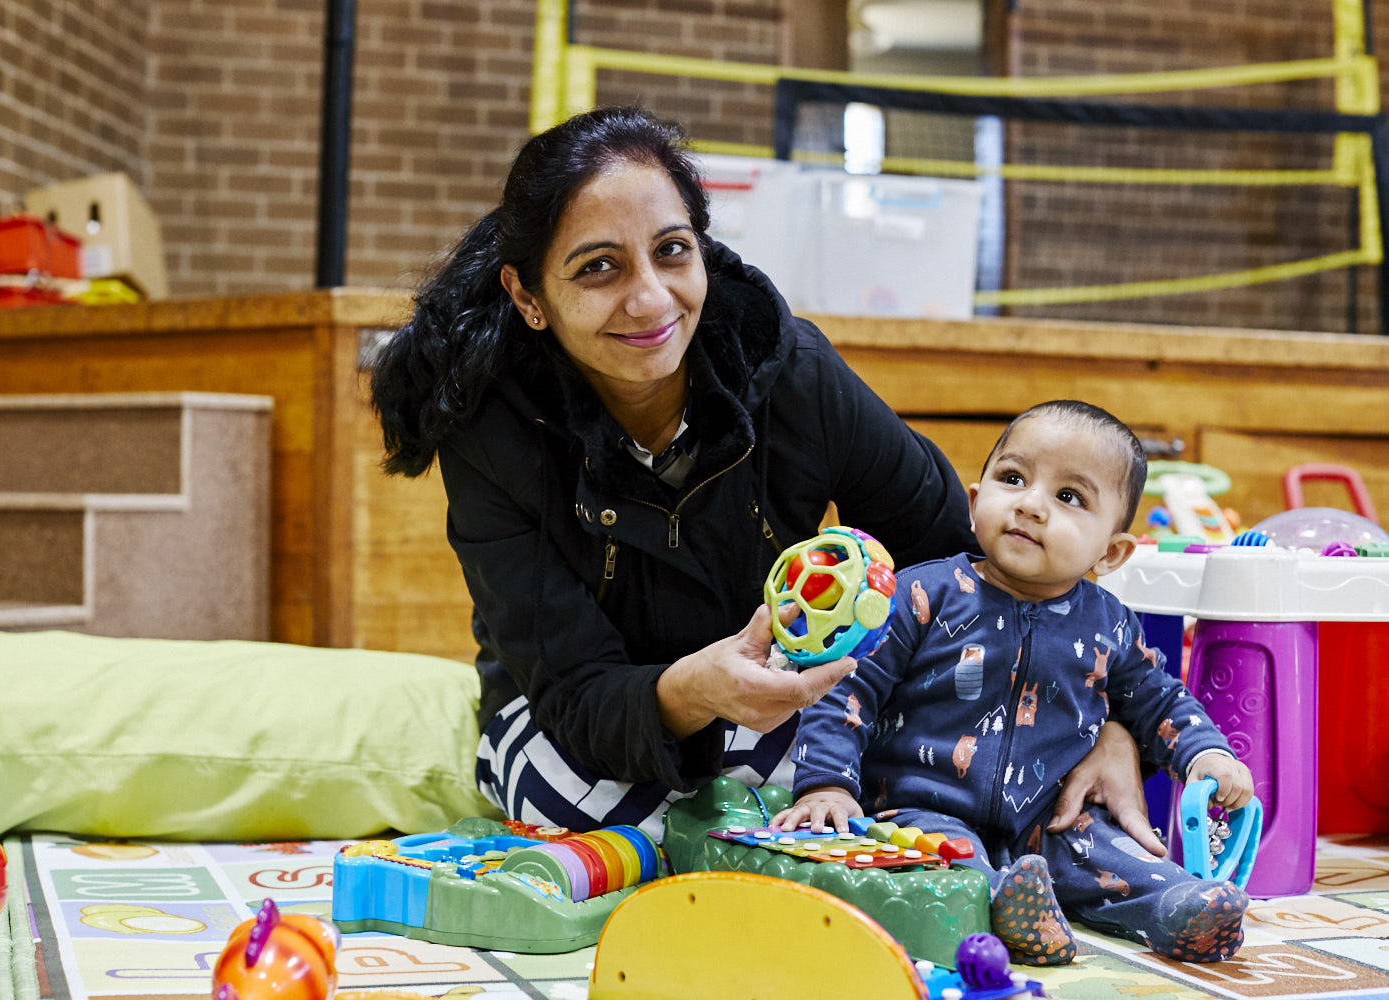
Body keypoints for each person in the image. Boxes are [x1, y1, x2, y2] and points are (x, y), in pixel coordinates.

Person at [369, 105, 1158, 845]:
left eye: (672, 251)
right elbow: (573, 693)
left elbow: (966, 553)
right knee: (566, 796)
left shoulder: (793, 371)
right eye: (598, 268)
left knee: (895, 764)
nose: (650, 299)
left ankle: (744, 831)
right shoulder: (494, 429)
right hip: (585, 719)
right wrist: (690, 692)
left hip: (776, 691)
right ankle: (734, 839)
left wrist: (1110, 728)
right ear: (528, 295)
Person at [776, 400, 1255, 965]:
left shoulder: (1111, 623)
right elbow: (846, 688)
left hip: (1052, 820)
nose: (1031, 504)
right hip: (920, 809)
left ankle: (1174, 906)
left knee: (1115, 853)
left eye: (1069, 497)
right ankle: (1007, 906)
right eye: (1013, 479)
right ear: (976, 503)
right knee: (941, 864)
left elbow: (1160, 700)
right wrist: (826, 785)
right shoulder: (922, 595)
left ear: (1112, 552)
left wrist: (1206, 755)